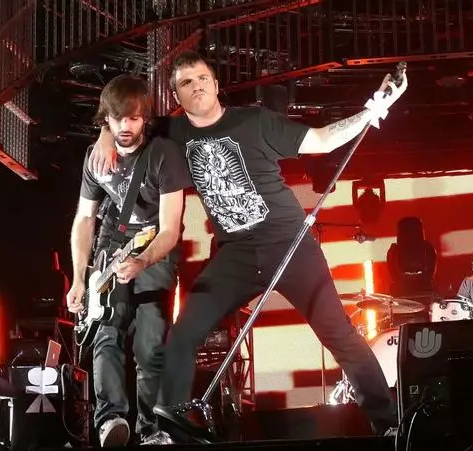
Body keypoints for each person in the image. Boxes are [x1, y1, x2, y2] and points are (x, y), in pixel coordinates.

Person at [90, 51, 408, 443]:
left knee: (337, 332)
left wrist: (371, 110)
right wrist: (104, 135)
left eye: (202, 78)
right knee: (183, 333)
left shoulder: (255, 122)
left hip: (289, 244)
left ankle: (388, 422)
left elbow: (322, 140)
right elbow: (125, 116)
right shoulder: (171, 131)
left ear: (216, 84)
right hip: (236, 254)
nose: (197, 86)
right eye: (186, 83)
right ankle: (171, 432)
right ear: (176, 96)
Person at [66, 75, 192, 447]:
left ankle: (150, 430)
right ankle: (111, 422)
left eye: (134, 118)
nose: (126, 126)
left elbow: (170, 229)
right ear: (106, 119)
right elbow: (84, 219)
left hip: (154, 247)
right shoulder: (96, 158)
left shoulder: (163, 155)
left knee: (149, 346)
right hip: (112, 243)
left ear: (144, 119)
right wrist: (79, 278)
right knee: (106, 331)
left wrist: (143, 261)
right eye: (118, 118)